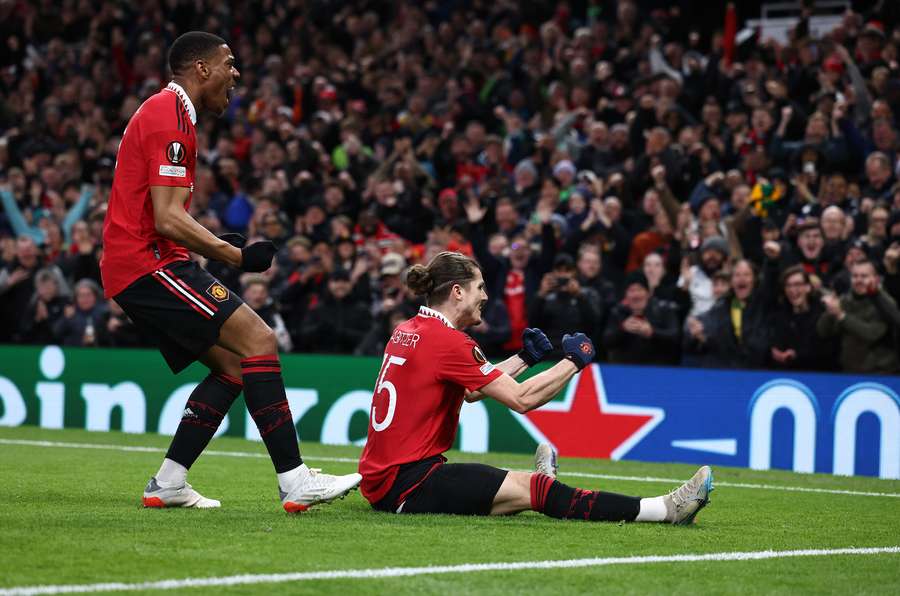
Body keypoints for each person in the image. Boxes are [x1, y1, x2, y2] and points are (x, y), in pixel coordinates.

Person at [99, 31, 360, 511]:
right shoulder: (170, 115)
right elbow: (167, 218)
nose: (235, 74)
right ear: (201, 69)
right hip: (147, 262)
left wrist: (217, 248)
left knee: (236, 366)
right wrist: (234, 256)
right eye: (228, 63)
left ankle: (169, 482)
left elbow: (162, 213)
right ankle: (295, 480)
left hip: (139, 262)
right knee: (259, 340)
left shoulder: (168, 113)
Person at [358, 251, 713, 525]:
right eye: (479, 287)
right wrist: (573, 361)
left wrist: (526, 357)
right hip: (410, 482)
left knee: (521, 491)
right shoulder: (449, 341)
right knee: (535, 489)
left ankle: (547, 486)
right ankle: (664, 509)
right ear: (457, 292)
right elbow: (521, 399)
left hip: (384, 481)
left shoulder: (410, 328)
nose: (484, 295)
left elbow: (470, 388)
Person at [817, 259, 900, 374]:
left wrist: (841, 315)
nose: (859, 280)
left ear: (875, 278)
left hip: (882, 373)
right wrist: (830, 311)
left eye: (864, 276)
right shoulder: (844, 300)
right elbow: (823, 332)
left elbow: (871, 333)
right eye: (855, 276)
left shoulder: (885, 303)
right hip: (850, 372)